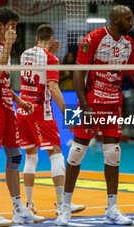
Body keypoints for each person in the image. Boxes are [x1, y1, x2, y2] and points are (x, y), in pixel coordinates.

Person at [55, 5, 134, 226]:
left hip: (113, 105)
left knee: (113, 154)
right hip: (91, 103)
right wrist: (83, 103)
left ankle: (111, 209)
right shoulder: (94, 38)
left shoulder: (128, 43)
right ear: (115, 18)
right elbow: (78, 70)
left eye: (131, 18)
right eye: (127, 18)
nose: (131, 22)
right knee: (77, 152)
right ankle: (64, 207)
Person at [0, 8, 44, 226]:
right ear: (0, 25)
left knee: (15, 157)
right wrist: (8, 45)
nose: (14, 30)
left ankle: (18, 210)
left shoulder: (5, 47)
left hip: (6, 105)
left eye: (15, 26)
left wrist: (20, 101)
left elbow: (4, 81)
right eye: (11, 26)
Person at [17, 24, 86, 216]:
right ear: (53, 38)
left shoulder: (25, 54)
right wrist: (69, 115)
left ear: (37, 38)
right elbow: (54, 88)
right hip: (40, 111)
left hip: (22, 110)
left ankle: (29, 205)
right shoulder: (51, 58)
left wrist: (50, 54)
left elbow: (39, 66)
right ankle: (62, 204)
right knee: (56, 154)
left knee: (30, 156)